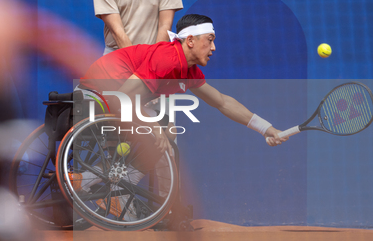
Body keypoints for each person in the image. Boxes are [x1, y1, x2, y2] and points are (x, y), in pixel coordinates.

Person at [79, 14, 288, 151]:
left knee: (166, 132)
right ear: (190, 41)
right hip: (97, 94)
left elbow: (222, 102)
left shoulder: (188, 70)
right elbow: (121, 97)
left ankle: (101, 182)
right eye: (210, 39)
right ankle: (90, 180)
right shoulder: (167, 59)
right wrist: (152, 126)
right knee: (158, 132)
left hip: (114, 97)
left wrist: (266, 128)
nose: (213, 47)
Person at [93, 0, 183, 55]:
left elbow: (165, 26)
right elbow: (117, 31)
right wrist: (138, 67)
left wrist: (154, 62)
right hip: (117, 56)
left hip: (153, 55)